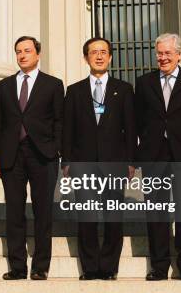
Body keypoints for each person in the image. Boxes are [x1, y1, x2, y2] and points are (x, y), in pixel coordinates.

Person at [63, 37, 136, 280]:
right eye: (94, 52)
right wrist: (67, 162)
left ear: (110, 57)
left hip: (115, 164)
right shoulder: (74, 91)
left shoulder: (124, 89)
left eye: (104, 52)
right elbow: (67, 130)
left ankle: (109, 267)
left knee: (113, 217)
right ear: (86, 58)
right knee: (87, 217)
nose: (99, 56)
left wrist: (131, 162)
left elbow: (131, 128)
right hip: (83, 164)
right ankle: (90, 268)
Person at [0, 36, 64, 281]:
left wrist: (55, 150)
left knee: (43, 212)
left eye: (27, 51)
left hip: (43, 155)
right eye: (19, 51)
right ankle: (18, 267)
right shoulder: (3, 86)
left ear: (37, 54)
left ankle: (40, 266)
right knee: (14, 212)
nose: (22, 55)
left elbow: (59, 121)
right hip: (11, 155)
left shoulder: (53, 84)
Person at [134, 33, 181, 281]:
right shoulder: (143, 83)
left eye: (167, 53)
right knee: (156, 212)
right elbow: (138, 120)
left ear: (179, 54)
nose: (162, 58)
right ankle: (159, 266)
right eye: (159, 53)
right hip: (154, 156)